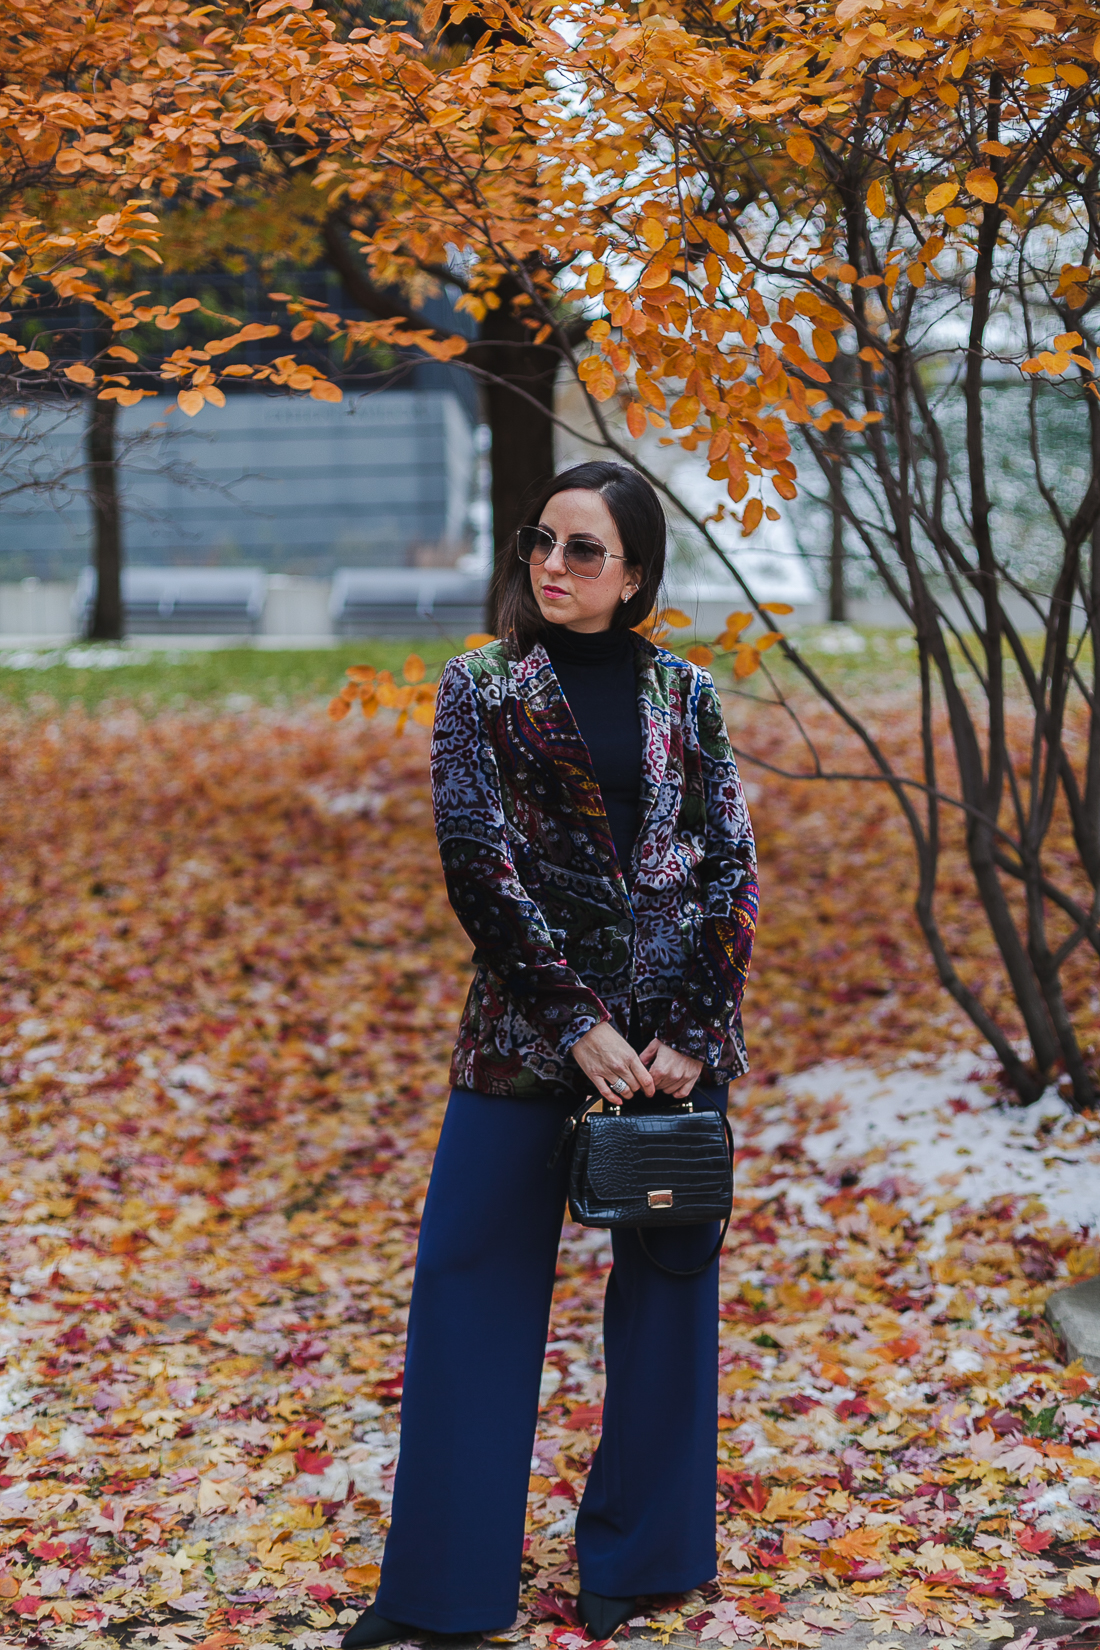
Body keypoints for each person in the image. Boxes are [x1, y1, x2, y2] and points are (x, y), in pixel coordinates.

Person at [342, 461, 758, 1649]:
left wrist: (685, 1035)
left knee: (668, 1296)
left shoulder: (685, 694)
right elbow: (478, 864)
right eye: (542, 542)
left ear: (633, 578)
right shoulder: (480, 687)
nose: (554, 566)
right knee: (468, 1285)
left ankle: (644, 1559)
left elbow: (728, 864)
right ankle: (442, 1590)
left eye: (585, 552)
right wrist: (580, 1023)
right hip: (530, 1038)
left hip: (673, 1052)